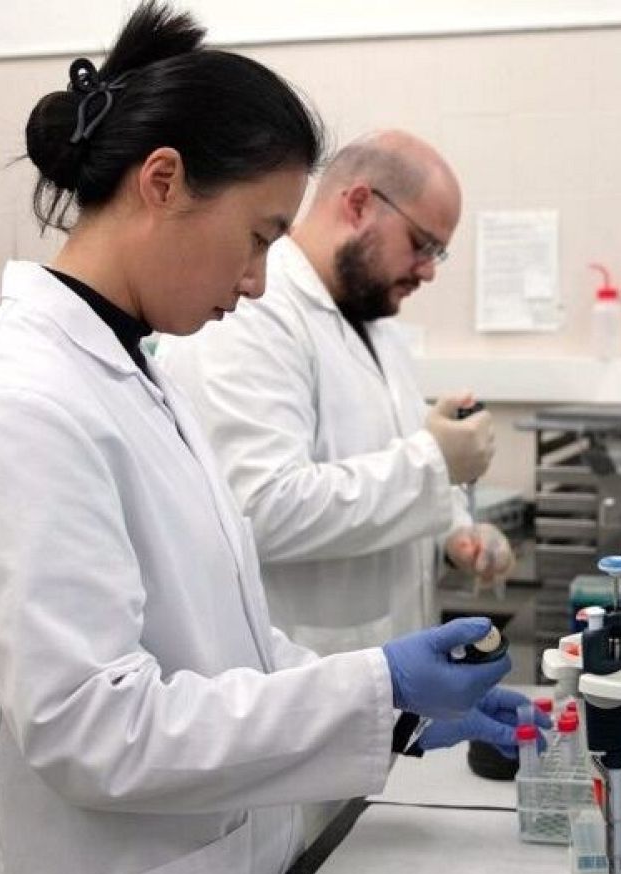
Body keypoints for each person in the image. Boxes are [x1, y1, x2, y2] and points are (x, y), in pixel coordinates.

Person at [0, 5, 526, 874]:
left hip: (222, 860)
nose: (259, 278)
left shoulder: (132, 369)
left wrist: (399, 711)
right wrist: (376, 689)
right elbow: (94, 729)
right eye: (261, 235)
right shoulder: (16, 401)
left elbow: (225, 636)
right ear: (162, 181)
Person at [158, 130, 515, 656]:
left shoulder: (373, 319)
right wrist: (434, 465)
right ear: (359, 204)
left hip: (383, 678)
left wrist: (455, 531)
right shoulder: (250, 311)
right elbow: (258, 508)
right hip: (297, 684)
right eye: (422, 245)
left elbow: (382, 465)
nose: (429, 270)